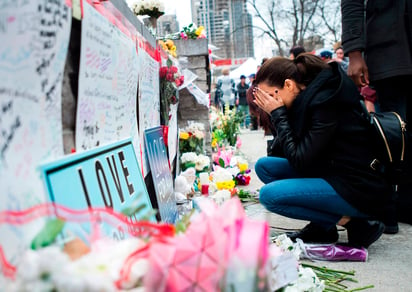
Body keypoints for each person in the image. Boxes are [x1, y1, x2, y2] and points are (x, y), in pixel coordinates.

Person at [252, 54, 391, 248]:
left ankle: (357, 223)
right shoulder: (305, 101)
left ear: (289, 85)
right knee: (265, 167)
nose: (269, 102)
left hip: (358, 186)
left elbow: (300, 160)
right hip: (332, 171)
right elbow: (284, 154)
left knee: (270, 196)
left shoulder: (325, 102)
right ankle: (323, 228)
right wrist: (277, 116)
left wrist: (279, 114)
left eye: (271, 95)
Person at [342, 0, 412, 234]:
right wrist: (354, 52)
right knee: (392, 132)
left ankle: (405, 203)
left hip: (391, 44)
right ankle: (388, 205)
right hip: (390, 47)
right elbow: (352, 2)